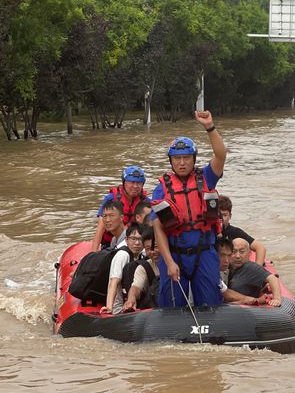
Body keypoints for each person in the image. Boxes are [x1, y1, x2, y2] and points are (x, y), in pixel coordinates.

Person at [152, 110, 227, 308]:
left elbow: (221, 154)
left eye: (186, 158)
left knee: (211, 304)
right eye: (177, 158)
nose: (182, 162)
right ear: (171, 161)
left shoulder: (207, 177)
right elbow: (158, 228)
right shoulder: (161, 188)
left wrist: (209, 127)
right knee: (171, 306)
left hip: (205, 253)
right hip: (175, 253)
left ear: (193, 159)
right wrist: (168, 262)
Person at [92, 165, 149, 251]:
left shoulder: (146, 202)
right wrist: (93, 253)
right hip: (110, 242)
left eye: (139, 183)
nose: (135, 186)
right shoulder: (111, 199)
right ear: (124, 182)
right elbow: (101, 226)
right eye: (131, 182)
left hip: (135, 243)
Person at [100, 222, 145, 314]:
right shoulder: (122, 255)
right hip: (119, 309)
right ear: (126, 240)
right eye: (133, 239)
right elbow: (114, 283)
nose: (137, 243)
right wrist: (109, 308)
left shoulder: (142, 255)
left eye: (140, 239)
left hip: (133, 305)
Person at [228, 238, 282, 307]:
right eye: (234, 251)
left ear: (249, 253)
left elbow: (272, 278)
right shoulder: (227, 267)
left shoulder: (251, 267)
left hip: (245, 309)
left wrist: (277, 298)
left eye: (242, 252)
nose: (237, 256)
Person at [217, 195, 266, 265]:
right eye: (218, 216)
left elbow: (260, 247)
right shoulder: (206, 233)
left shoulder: (235, 232)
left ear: (230, 216)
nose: (221, 219)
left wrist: (258, 268)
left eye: (224, 215)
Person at [122, 227, 160, 311]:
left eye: (156, 247)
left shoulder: (175, 263)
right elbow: (136, 287)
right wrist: (131, 299)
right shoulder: (144, 267)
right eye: (148, 248)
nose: (153, 251)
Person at [216, 238, 263, 304]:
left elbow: (226, 292)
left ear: (249, 253)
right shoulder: (210, 273)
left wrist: (249, 300)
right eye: (222, 255)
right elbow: (226, 295)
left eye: (229, 255)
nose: (226, 260)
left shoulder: (251, 267)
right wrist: (252, 300)